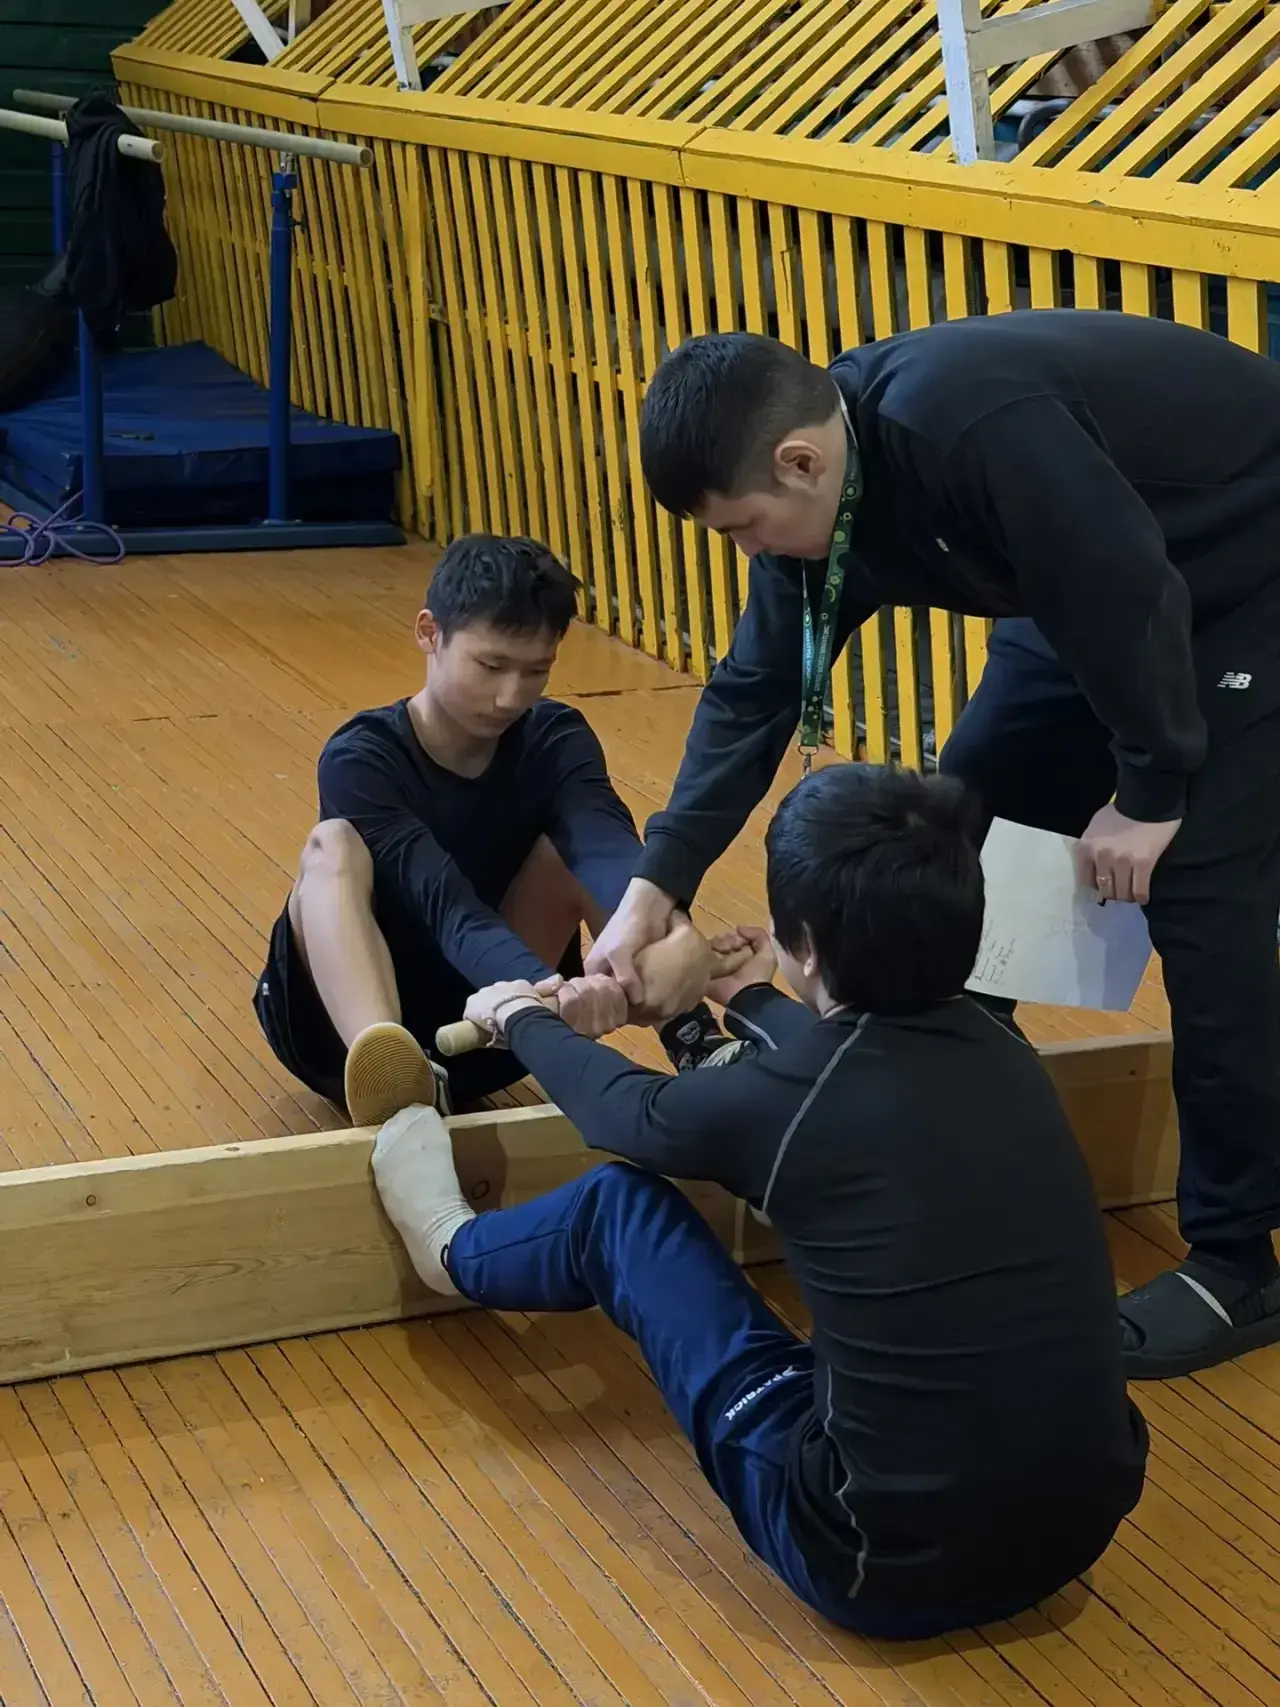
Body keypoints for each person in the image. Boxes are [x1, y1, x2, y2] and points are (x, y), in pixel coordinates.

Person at [586, 310, 1280, 1381]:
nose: (747, 552)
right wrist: (655, 884)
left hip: (1244, 570)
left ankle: (1238, 1259)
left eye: (743, 528)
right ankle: (947, 1123)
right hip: (1084, 591)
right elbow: (751, 693)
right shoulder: (816, 496)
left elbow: (1129, 584)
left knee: (1198, 890)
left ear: (799, 461)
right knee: (961, 832)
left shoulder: (968, 427)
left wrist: (1149, 791)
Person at [371, 764, 1149, 1639]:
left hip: (873, 1566)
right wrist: (743, 997)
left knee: (616, 1209)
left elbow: (624, 1113)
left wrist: (522, 1017)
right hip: (1083, 1526)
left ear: (805, 946)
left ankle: (450, 1247)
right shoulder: (1005, 1051)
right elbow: (831, 1064)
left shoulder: (798, 1100)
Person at [254, 533, 741, 1125]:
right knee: (331, 848)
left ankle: (699, 1045)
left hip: (499, 1038)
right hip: (333, 1044)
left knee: (602, 871)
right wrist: (549, 988)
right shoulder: (360, 760)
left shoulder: (557, 738)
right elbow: (447, 909)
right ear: (429, 633)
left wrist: (674, 935)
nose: (511, 696)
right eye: (491, 666)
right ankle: (390, 1070)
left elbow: (607, 850)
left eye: (536, 671)